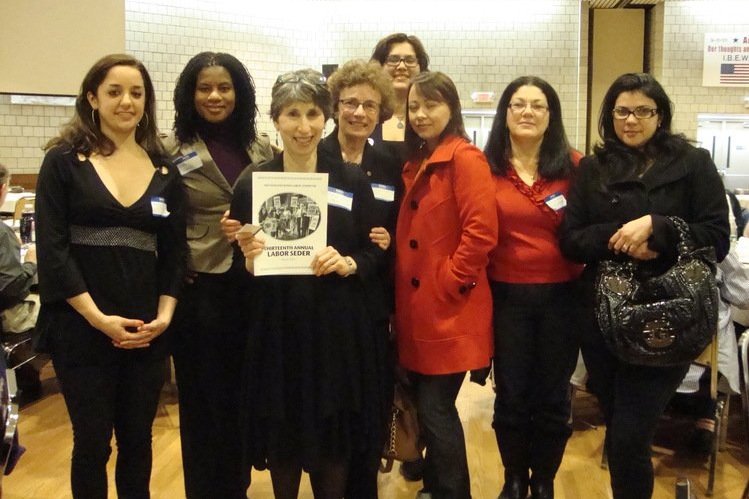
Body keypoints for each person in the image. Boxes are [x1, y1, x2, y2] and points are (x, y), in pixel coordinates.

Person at [559, 72, 729, 499]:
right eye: (621, 111)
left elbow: (717, 236)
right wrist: (623, 235)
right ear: (609, 114)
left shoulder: (693, 163)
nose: (630, 120)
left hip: (670, 316)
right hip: (604, 320)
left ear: (660, 114)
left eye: (642, 111)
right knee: (619, 428)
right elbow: (571, 240)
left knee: (630, 434)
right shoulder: (594, 169)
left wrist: (659, 228)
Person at [34, 54, 187, 499]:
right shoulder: (63, 161)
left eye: (136, 93)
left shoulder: (165, 169)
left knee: (139, 441)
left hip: (145, 330)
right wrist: (98, 319)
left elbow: (175, 253)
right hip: (81, 328)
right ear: (92, 98)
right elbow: (53, 249)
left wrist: (164, 317)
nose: (127, 102)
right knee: (92, 442)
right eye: (115, 92)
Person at [231, 69, 386, 499]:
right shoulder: (251, 182)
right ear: (276, 119)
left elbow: (375, 253)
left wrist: (349, 262)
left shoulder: (351, 180)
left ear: (326, 118)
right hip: (276, 328)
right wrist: (247, 258)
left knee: (331, 437)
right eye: (293, 115)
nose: (304, 127)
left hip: (334, 330)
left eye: (313, 114)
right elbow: (239, 271)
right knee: (282, 434)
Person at [162, 51, 274, 499]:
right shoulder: (169, 151)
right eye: (204, 88)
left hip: (252, 286)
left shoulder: (261, 148)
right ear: (190, 95)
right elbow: (161, 220)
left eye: (224, 87)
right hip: (199, 286)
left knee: (243, 394)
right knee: (202, 398)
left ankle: (237, 486)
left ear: (239, 93)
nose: (214, 96)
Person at [394, 71, 497, 499]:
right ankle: (435, 488)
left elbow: (481, 233)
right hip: (419, 310)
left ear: (451, 108)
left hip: (450, 310)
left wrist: (450, 281)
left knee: (436, 411)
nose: (420, 114)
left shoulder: (465, 158)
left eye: (430, 105)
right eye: (414, 106)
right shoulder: (417, 160)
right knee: (430, 409)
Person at [483, 76, 583, 499]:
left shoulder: (575, 166)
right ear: (505, 114)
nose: (527, 112)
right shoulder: (484, 168)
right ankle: (513, 477)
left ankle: (543, 479)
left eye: (538, 105)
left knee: (553, 395)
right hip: (505, 297)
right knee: (511, 393)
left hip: (563, 298)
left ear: (550, 116)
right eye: (518, 104)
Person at [322, 59, 402, 498]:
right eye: (350, 102)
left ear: (381, 112)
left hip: (370, 301)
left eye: (369, 105)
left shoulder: (391, 162)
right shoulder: (314, 158)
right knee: (332, 405)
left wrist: (385, 243)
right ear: (335, 106)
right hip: (322, 300)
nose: (359, 112)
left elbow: (398, 234)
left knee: (370, 402)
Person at [370, 33, 430, 160]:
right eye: (393, 60)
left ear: (421, 68)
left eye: (410, 60)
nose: (402, 67)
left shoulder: (430, 118)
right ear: (379, 67)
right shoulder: (366, 114)